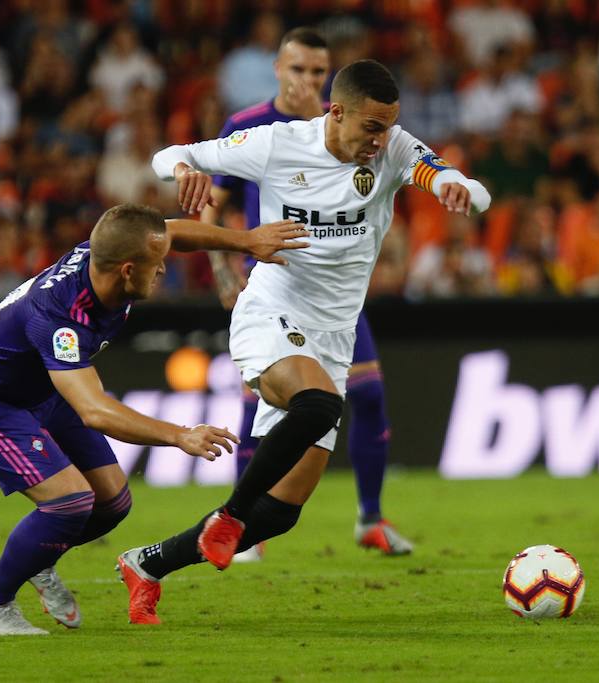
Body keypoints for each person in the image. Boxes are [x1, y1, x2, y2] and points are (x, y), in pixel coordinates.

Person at [118, 59, 491, 624]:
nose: (380, 139)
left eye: (388, 126)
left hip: (334, 337)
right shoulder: (276, 144)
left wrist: (458, 189)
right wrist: (181, 169)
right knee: (319, 404)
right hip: (270, 311)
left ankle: (146, 565)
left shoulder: (391, 149)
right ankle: (229, 516)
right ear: (336, 112)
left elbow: (448, 178)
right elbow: (171, 154)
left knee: (281, 512)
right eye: (371, 126)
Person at [0, 203, 308, 636]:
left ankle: (37, 558)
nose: (164, 269)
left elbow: (171, 233)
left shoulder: (110, 255)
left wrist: (245, 240)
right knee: (70, 501)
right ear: (128, 270)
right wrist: (180, 435)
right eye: (156, 266)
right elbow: (93, 409)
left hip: (42, 388)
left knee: (113, 503)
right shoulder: (60, 318)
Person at [201, 27, 413, 561]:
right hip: (274, 284)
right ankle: (241, 524)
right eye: (299, 70)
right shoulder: (249, 127)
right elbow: (210, 201)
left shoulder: (348, 129)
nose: (308, 81)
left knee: (367, 393)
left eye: (318, 73)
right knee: (268, 403)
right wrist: (225, 272)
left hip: (335, 292)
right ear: (278, 69)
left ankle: (370, 517)